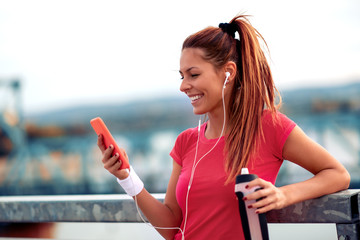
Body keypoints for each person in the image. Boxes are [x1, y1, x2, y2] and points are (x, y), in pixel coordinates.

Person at [97, 15, 350, 240]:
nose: (183, 86)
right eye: (181, 76)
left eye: (193, 75)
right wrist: (127, 177)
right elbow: (170, 226)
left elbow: (337, 174)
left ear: (228, 73)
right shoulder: (185, 142)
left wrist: (284, 195)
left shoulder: (269, 127)